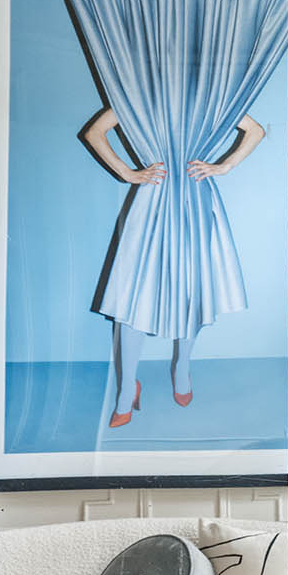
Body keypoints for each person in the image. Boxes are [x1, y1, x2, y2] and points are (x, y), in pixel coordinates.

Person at [82, 106, 266, 426]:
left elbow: (256, 130)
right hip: (152, 200)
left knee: (190, 288)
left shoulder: (211, 92)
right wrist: (127, 173)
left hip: (195, 201)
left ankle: (181, 368)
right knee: (134, 293)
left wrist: (224, 167)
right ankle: (127, 390)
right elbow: (94, 133)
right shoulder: (138, 90)